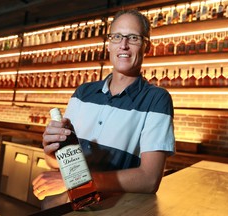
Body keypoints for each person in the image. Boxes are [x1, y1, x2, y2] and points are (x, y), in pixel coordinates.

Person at [32, 9, 175, 209]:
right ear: (109, 44)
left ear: (146, 46)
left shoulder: (156, 99)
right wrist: (51, 153)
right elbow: (60, 163)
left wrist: (77, 180)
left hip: (113, 210)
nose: (123, 45)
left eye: (133, 38)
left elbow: (149, 180)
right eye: (117, 37)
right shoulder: (83, 93)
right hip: (68, 205)